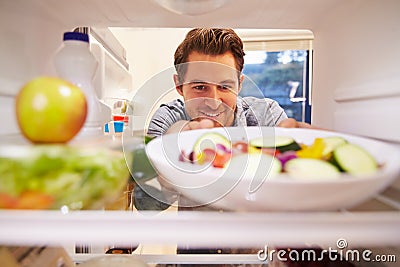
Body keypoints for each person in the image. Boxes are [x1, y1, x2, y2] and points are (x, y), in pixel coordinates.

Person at [147, 28, 312, 139]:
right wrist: (171, 149)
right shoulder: (167, 119)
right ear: (179, 85)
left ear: (239, 85)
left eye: (224, 87)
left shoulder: (266, 114)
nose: (213, 102)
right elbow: (153, 184)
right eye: (200, 87)